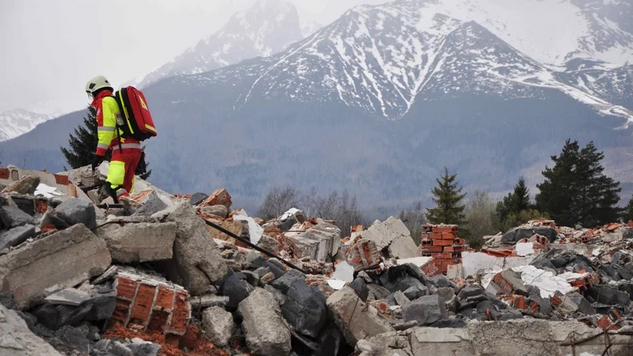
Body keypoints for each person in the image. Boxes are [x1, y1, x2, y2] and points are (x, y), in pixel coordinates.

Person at [85, 75, 142, 203]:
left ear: (95, 91)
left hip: (121, 149)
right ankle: (130, 210)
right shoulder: (116, 101)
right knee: (126, 186)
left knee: (114, 185)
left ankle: (124, 210)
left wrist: (99, 154)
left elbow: (106, 129)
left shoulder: (104, 102)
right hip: (135, 148)